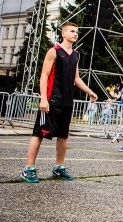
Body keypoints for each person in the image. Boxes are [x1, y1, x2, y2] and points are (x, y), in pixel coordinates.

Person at [21, 22, 97, 183]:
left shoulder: (76, 54)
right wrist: (43, 98)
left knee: (63, 136)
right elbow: (44, 75)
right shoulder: (54, 52)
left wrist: (89, 91)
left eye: (77, 31)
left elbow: (76, 78)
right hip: (52, 100)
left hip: (67, 102)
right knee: (40, 133)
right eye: (72, 31)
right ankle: (29, 168)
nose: (75, 34)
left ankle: (59, 167)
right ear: (63, 34)